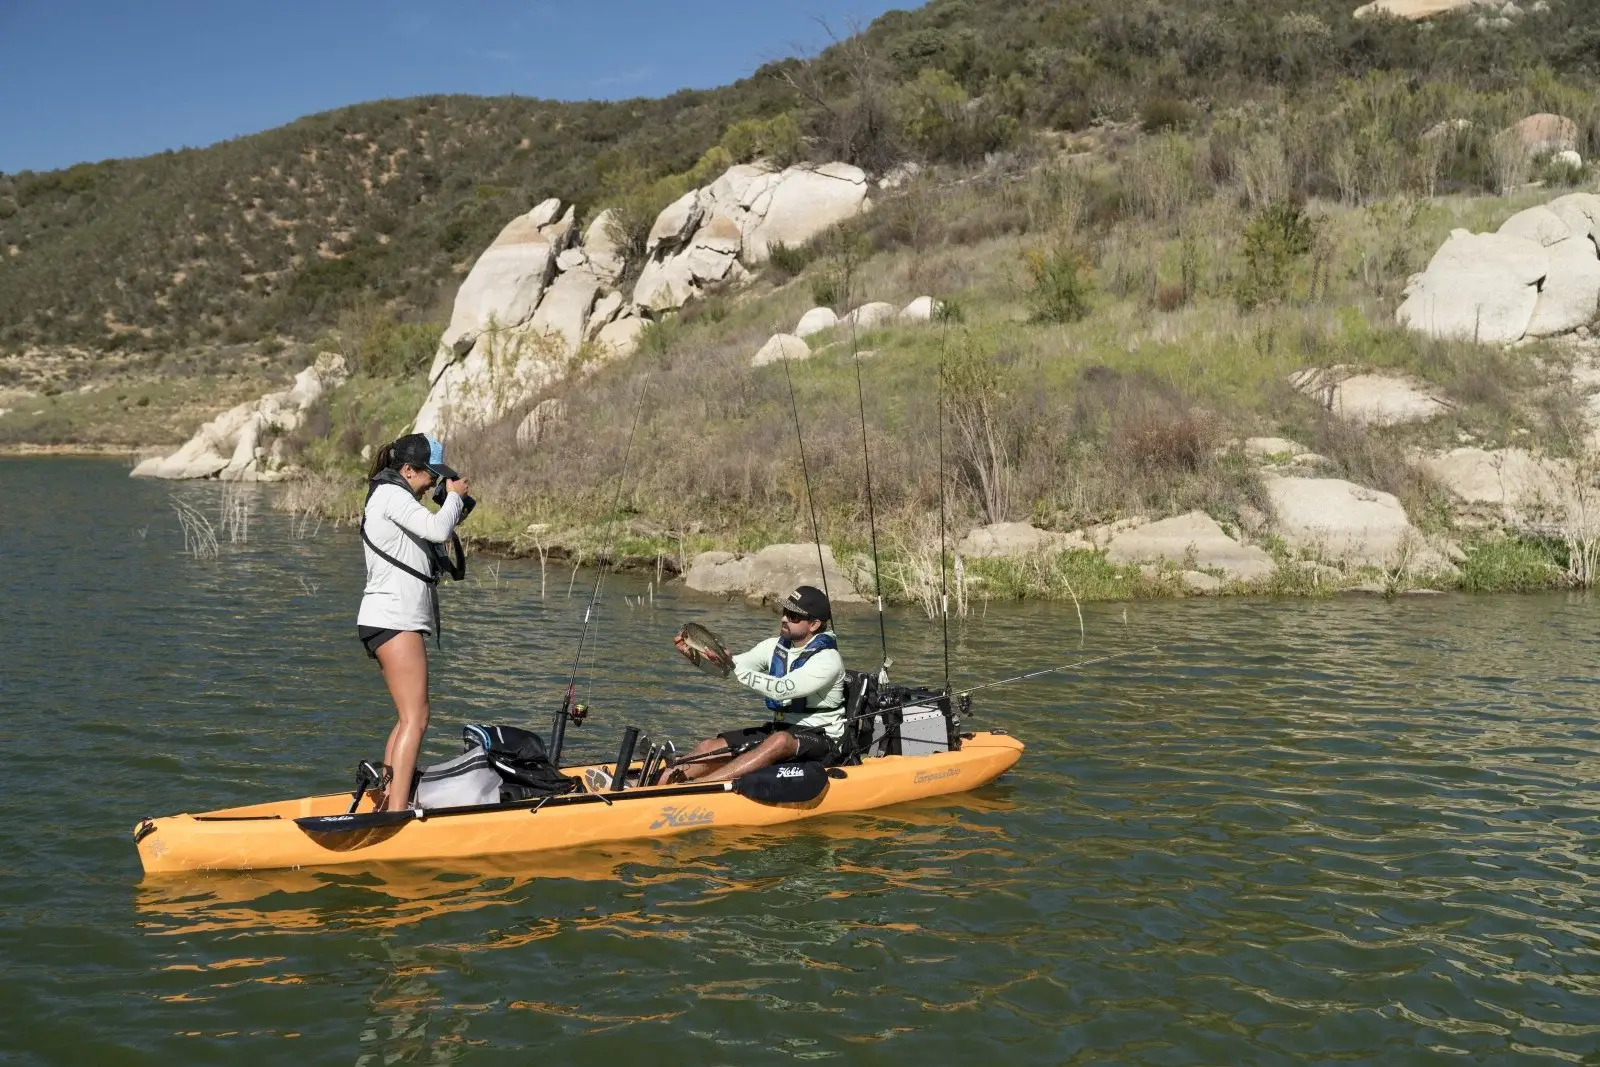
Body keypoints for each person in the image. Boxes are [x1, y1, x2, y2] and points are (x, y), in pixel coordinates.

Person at [357, 432, 470, 811]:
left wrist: (454, 507)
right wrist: (453, 498)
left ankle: (387, 798)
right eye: (430, 477)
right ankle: (396, 811)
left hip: (386, 617)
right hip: (394, 617)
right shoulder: (392, 496)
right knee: (417, 718)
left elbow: (432, 542)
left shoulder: (392, 496)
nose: (432, 485)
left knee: (407, 717)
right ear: (408, 470)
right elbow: (437, 529)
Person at [670, 586, 846, 783]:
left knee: (779, 741)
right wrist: (697, 658)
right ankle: (644, 786)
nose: (784, 619)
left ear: (814, 624)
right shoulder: (773, 647)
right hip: (780, 730)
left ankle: (700, 786)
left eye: (794, 616)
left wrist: (732, 666)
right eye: (785, 612)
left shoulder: (828, 659)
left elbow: (782, 689)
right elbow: (729, 669)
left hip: (823, 739)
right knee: (709, 746)